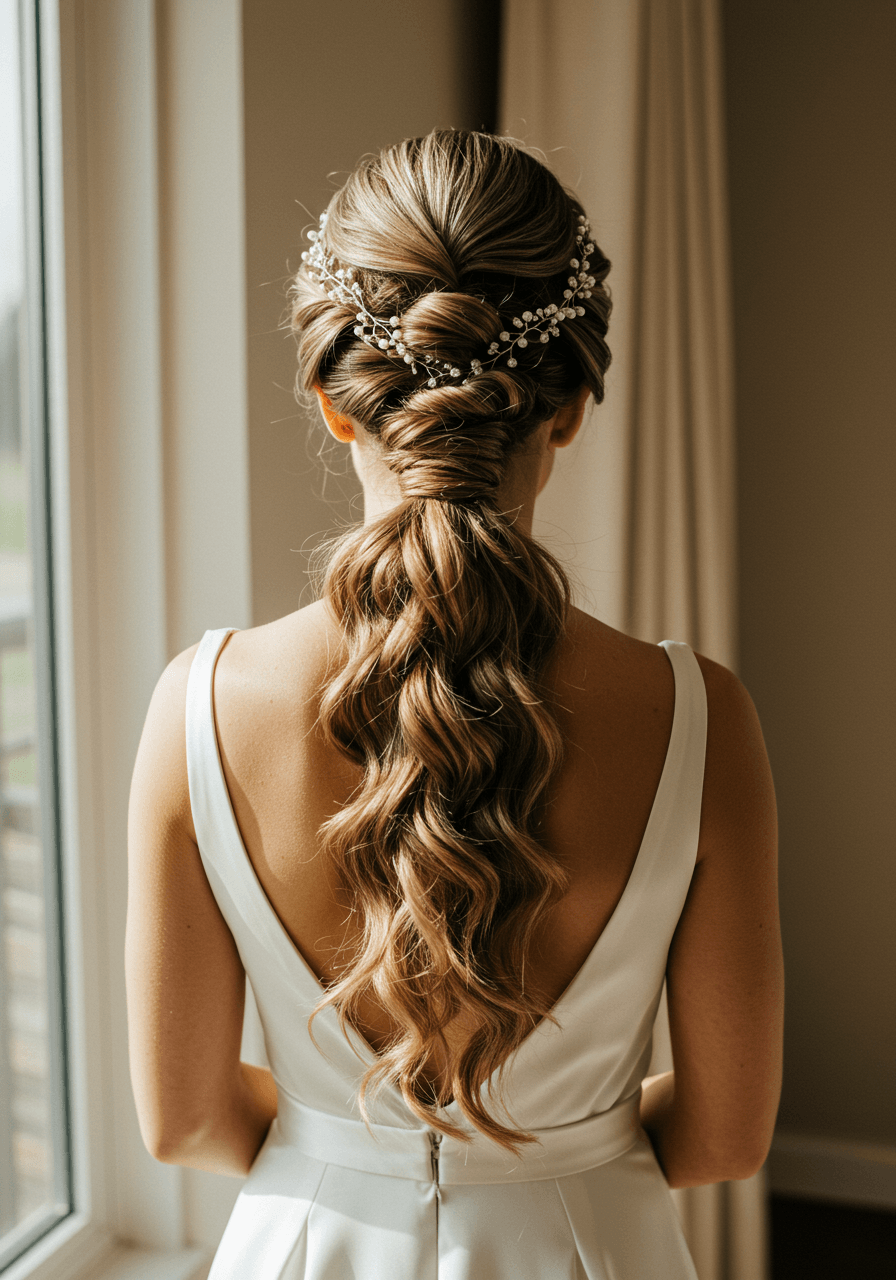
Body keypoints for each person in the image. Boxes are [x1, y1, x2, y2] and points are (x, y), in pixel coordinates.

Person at [126, 130, 783, 1279]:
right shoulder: (698, 715)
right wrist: (569, 1152)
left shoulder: (199, 707)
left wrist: (342, 1150)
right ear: (570, 405)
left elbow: (183, 1119)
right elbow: (724, 1136)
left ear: (335, 406)